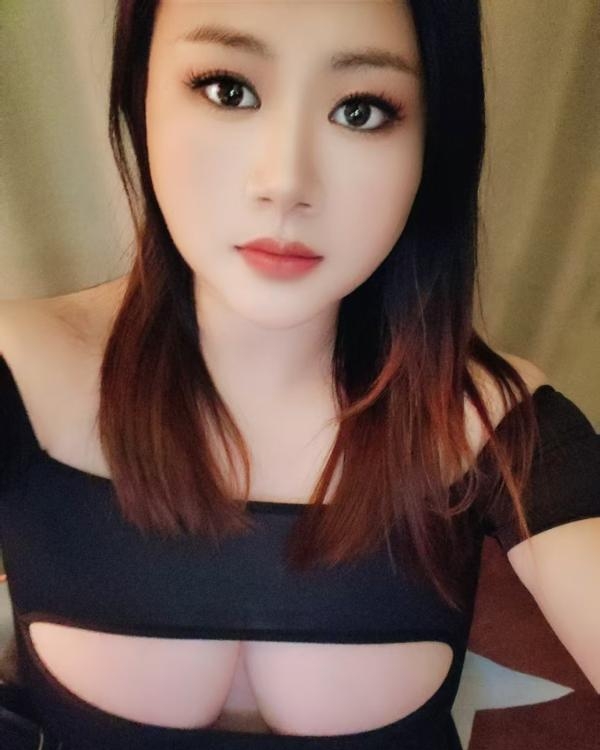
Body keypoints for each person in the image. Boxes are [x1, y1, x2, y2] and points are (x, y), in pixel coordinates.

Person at [1, 1, 599, 748]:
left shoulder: (494, 417)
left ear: (431, 142)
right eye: (228, 90)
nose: (285, 182)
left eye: (360, 110)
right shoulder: (20, 370)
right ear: (139, 92)